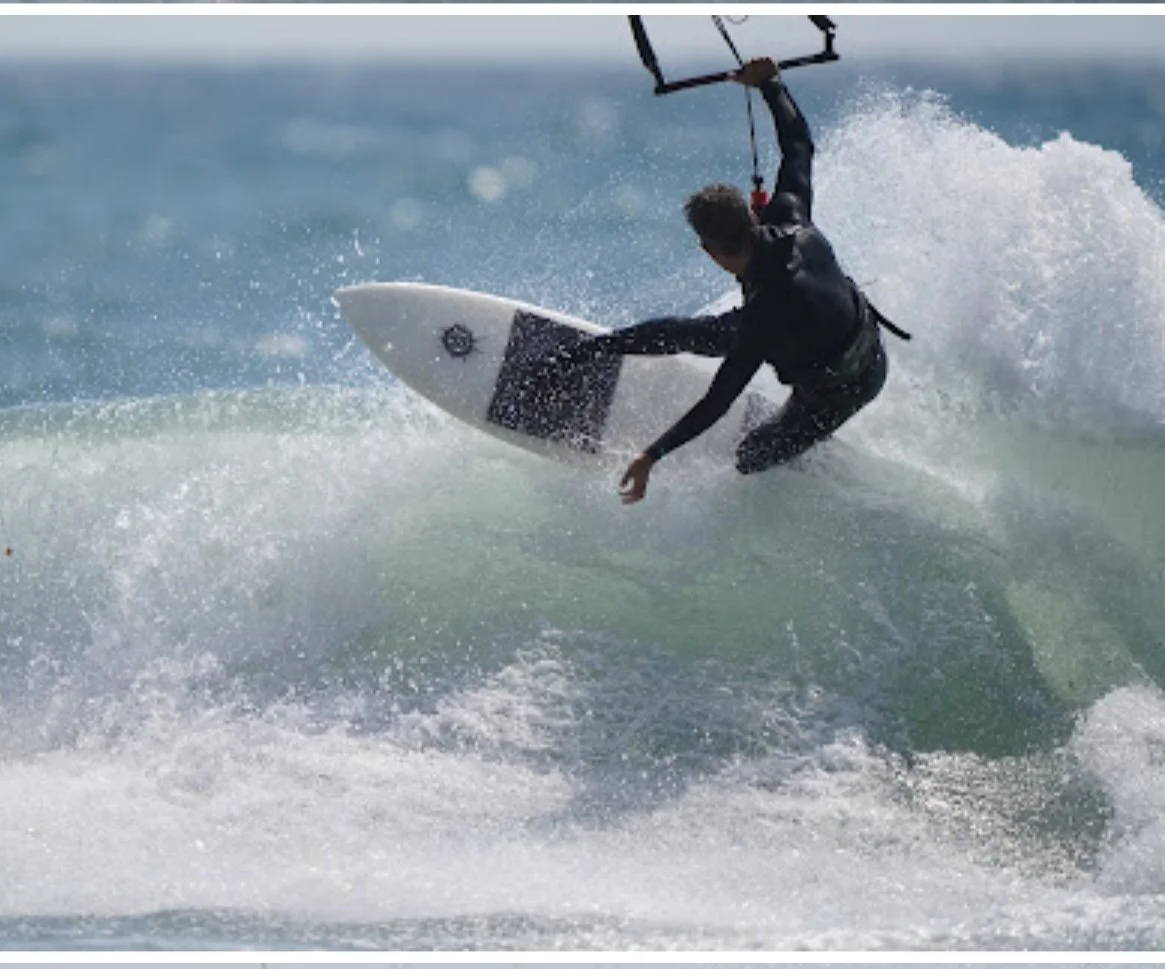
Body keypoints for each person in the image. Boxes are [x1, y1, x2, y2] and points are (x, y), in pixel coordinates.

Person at [534, 56, 904, 504]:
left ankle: (808, 454)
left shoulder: (763, 321)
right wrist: (771, 83)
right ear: (753, 213)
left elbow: (719, 400)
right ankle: (591, 352)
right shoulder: (791, 216)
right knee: (689, 334)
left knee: (750, 456)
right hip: (831, 328)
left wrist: (651, 455)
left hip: (844, 386)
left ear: (709, 250)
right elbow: (799, 146)